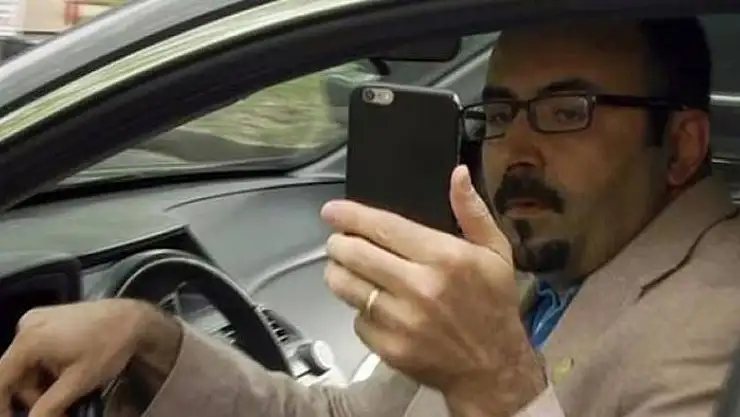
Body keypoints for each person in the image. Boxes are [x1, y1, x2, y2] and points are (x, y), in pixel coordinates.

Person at [1, 16, 740, 417]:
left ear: (680, 146)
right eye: (499, 113)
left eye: (566, 110)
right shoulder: (531, 270)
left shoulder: (720, 327)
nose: (515, 150)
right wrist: (151, 343)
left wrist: (497, 384)